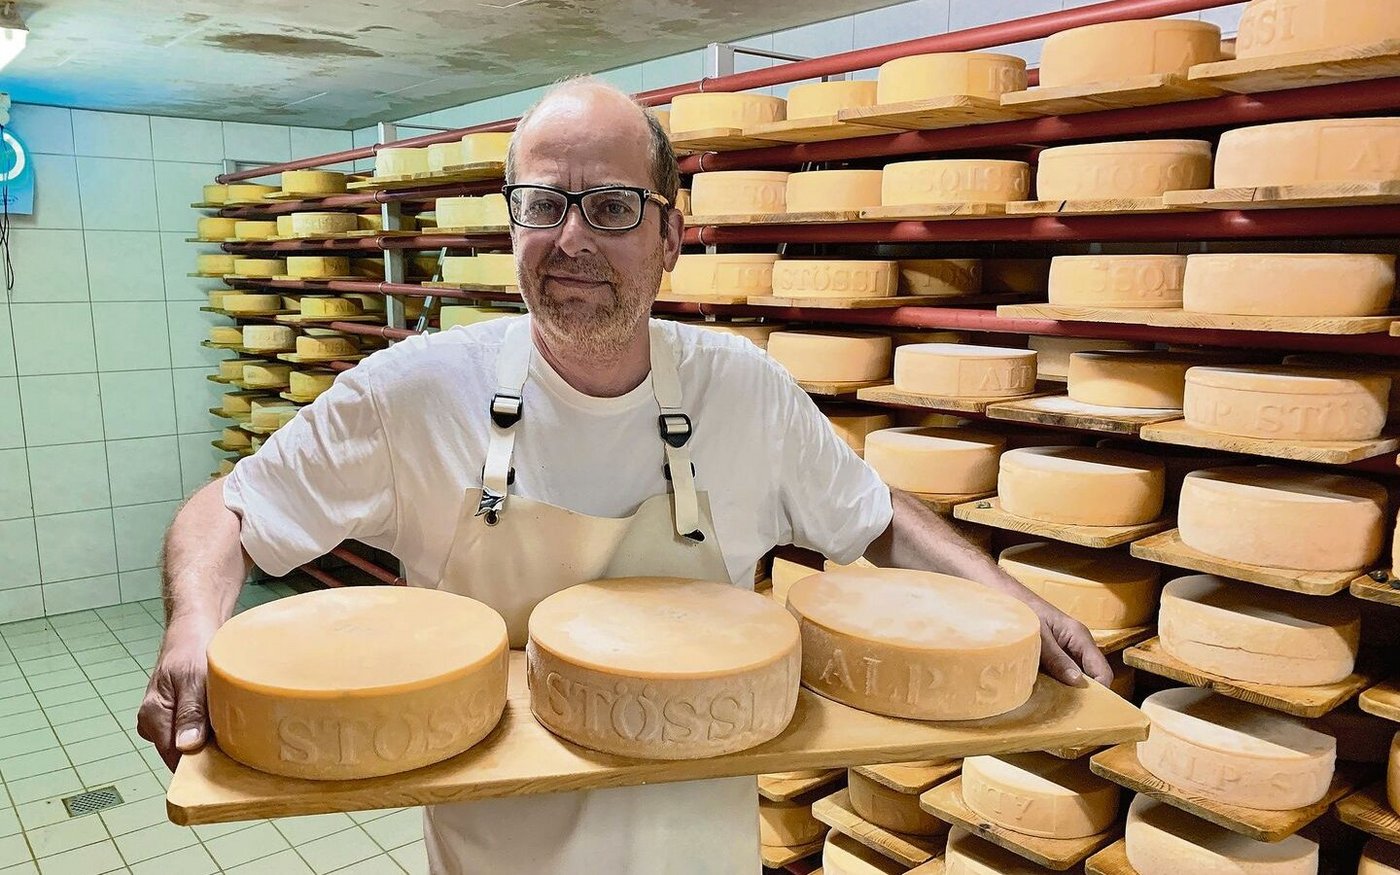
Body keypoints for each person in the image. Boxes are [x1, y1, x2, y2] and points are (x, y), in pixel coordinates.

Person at [139, 76, 1111, 875]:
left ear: (670, 236)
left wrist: (1012, 602)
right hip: (500, 857)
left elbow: (875, 517)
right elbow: (229, 509)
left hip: (703, 849)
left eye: (610, 208)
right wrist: (193, 630)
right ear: (511, 224)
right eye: (542, 205)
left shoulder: (742, 391)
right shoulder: (415, 392)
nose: (571, 240)